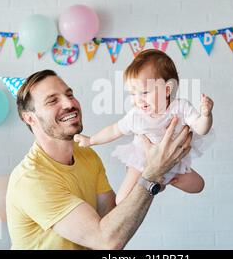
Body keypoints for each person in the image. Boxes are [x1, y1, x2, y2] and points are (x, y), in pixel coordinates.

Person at [6, 69, 192, 250]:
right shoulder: (31, 179)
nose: (69, 104)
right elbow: (107, 241)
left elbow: (114, 220)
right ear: (30, 118)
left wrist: (145, 168)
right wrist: (152, 175)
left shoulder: (86, 155)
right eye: (52, 100)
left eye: (69, 95)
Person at [74, 49, 214, 204]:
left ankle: (163, 181)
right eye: (133, 94)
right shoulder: (136, 116)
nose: (138, 100)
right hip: (142, 161)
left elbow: (201, 128)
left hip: (173, 159)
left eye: (144, 92)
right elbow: (114, 130)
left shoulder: (180, 107)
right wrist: (91, 140)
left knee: (198, 185)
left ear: (167, 89)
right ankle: (152, 183)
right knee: (122, 200)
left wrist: (206, 115)